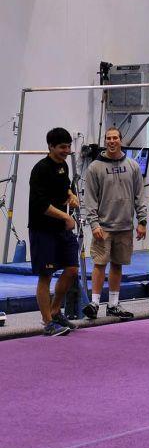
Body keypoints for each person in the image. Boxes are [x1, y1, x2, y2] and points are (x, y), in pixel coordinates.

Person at [83, 127, 147, 320]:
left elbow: (139, 196)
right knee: (99, 264)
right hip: (103, 227)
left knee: (118, 265)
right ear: (105, 141)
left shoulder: (133, 166)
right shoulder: (95, 167)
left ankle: (113, 305)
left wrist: (142, 221)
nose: (112, 141)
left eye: (115, 138)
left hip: (125, 226)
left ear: (121, 140)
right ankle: (94, 303)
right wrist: (94, 224)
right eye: (108, 138)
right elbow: (90, 200)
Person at [28, 127, 79, 336]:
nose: (66, 151)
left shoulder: (63, 166)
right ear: (50, 147)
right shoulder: (40, 169)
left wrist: (71, 195)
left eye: (68, 147)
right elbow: (41, 205)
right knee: (46, 275)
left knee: (72, 270)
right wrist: (66, 216)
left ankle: (56, 310)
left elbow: (65, 186)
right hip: (43, 229)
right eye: (62, 147)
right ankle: (47, 322)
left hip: (61, 230)